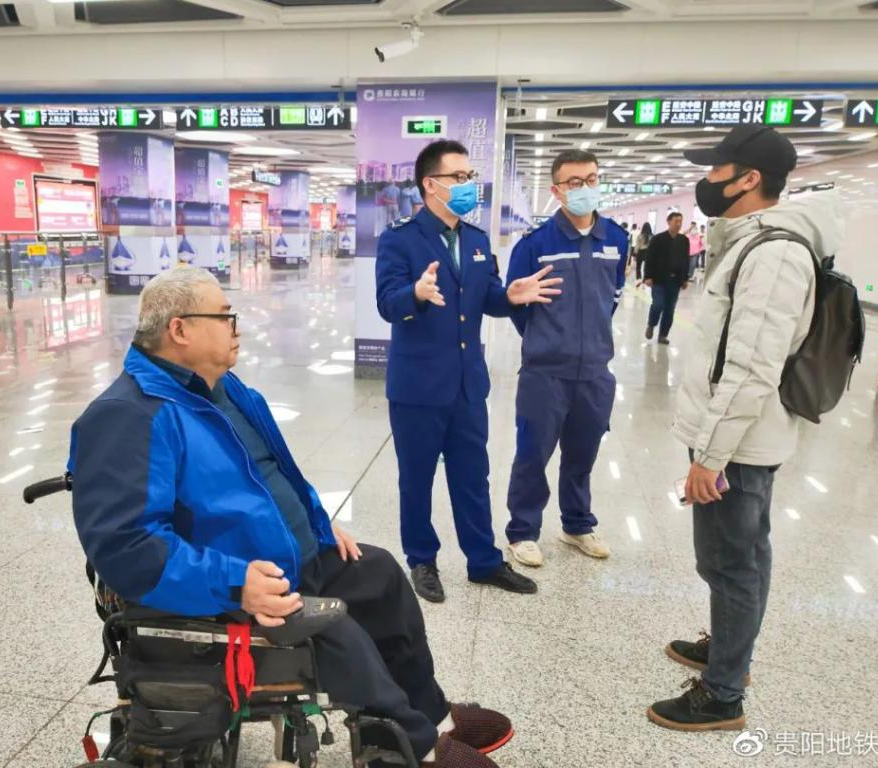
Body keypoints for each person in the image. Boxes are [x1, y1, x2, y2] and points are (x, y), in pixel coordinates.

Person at [70, 268, 516, 768]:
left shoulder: (222, 389)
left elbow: (276, 474)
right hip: (230, 587)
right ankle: (416, 746)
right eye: (224, 316)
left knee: (381, 575)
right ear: (180, 329)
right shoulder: (130, 415)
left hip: (287, 559)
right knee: (336, 631)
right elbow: (126, 547)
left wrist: (316, 522)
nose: (236, 327)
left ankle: (435, 716)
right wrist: (236, 583)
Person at [648, 125, 841, 732]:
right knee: (743, 553)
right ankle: (730, 649)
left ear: (748, 178)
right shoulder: (751, 242)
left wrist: (710, 457)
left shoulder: (773, 254)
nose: (706, 180)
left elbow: (753, 365)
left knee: (730, 562)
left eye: (715, 169)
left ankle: (723, 693)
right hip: (739, 436)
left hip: (737, 443)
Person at [375, 139, 561, 603]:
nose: (467, 186)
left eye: (469, 177)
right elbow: (387, 303)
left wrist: (509, 296)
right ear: (430, 184)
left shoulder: (476, 240)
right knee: (416, 479)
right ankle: (422, 559)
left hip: (467, 385)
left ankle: (483, 561)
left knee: (473, 477)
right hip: (418, 387)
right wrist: (415, 294)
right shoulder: (400, 238)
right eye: (457, 177)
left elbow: (486, 297)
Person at [502, 149, 628, 567]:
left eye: (591, 179)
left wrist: (590, 341)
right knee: (532, 455)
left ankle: (576, 524)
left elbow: (612, 298)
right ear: (556, 191)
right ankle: (522, 531)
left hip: (595, 372)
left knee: (582, 454)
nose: (584, 188)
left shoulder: (616, 239)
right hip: (545, 373)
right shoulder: (535, 244)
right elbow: (517, 304)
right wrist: (548, 340)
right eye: (574, 182)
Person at [643, 212, 691, 345]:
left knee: (669, 310)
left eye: (680, 221)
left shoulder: (684, 240)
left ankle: (663, 335)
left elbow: (685, 260)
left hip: (675, 281)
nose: (679, 224)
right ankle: (651, 324)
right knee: (658, 305)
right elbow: (649, 258)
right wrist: (647, 276)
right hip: (659, 279)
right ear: (668, 222)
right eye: (676, 221)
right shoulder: (658, 239)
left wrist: (685, 278)